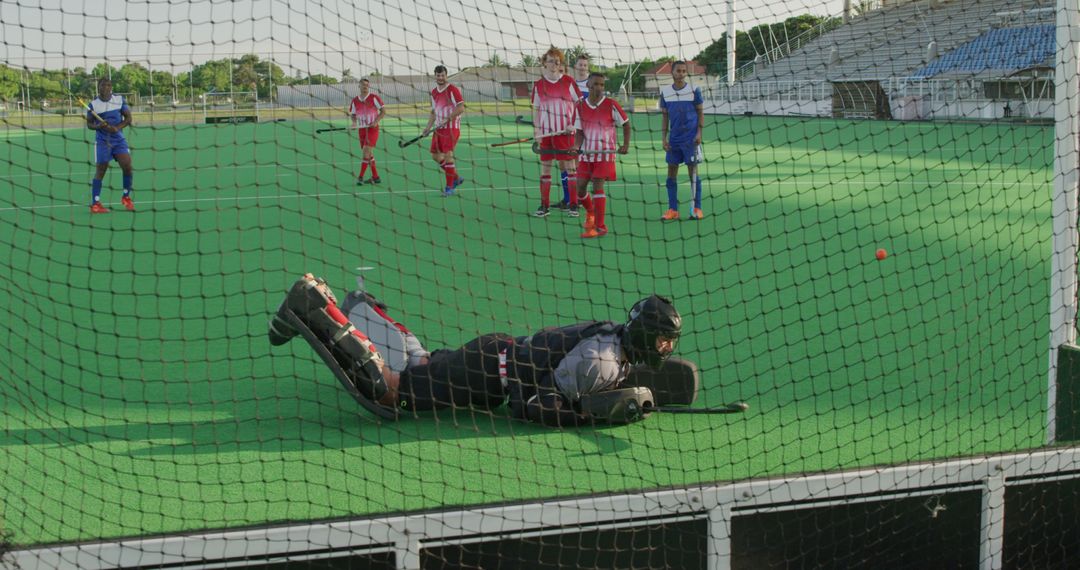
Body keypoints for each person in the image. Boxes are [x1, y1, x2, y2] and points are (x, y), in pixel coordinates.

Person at [269, 274, 683, 427]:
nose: (666, 348)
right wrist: (590, 417)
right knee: (394, 392)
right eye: (664, 340)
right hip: (487, 375)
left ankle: (360, 309)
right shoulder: (600, 360)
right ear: (646, 336)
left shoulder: (614, 342)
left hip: (492, 355)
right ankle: (313, 305)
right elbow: (536, 404)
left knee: (422, 363)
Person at [574, 73, 630, 238]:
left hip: (605, 154)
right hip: (586, 154)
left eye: (601, 85)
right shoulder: (580, 106)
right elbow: (579, 132)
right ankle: (590, 211)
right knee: (580, 188)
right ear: (588, 86)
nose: (599, 88)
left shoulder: (611, 104)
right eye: (595, 84)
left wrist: (625, 145)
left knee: (597, 187)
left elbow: (626, 124)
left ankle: (600, 227)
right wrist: (576, 146)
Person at [531, 47, 583, 217]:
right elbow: (536, 109)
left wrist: (574, 124)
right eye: (551, 61)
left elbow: (579, 105)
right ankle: (544, 206)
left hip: (565, 134)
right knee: (545, 170)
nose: (554, 64)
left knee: (571, 168)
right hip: (546, 135)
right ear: (544, 63)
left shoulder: (568, 82)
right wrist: (537, 129)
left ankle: (573, 205)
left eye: (557, 61)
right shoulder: (539, 85)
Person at [658, 61, 705, 221]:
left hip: (691, 140)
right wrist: (663, 138)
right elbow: (665, 117)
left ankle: (696, 208)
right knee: (671, 172)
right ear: (672, 72)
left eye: (684, 71)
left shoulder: (694, 90)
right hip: (674, 141)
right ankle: (673, 209)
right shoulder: (665, 92)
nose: (681, 73)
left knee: (693, 173)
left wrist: (699, 133)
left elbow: (700, 113)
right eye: (678, 70)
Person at [86, 78, 135, 213]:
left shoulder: (119, 100)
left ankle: (126, 197)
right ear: (99, 87)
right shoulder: (93, 105)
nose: (106, 88)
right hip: (103, 142)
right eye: (103, 85)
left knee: (127, 166)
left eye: (108, 85)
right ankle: (96, 204)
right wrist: (98, 125)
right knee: (101, 171)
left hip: (119, 140)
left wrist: (117, 127)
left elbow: (128, 118)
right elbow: (89, 124)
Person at [422, 65, 466, 196]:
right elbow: (434, 111)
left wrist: (449, 118)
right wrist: (427, 128)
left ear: (446, 76)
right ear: (435, 76)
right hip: (438, 128)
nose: (440, 78)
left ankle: (449, 187)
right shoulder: (434, 92)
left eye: (443, 75)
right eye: (438, 75)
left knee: (448, 156)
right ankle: (456, 178)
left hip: (451, 128)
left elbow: (461, 108)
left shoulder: (453, 90)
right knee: (435, 156)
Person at [348, 78, 386, 185]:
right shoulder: (355, 100)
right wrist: (354, 123)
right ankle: (376, 177)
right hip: (362, 130)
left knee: (366, 151)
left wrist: (376, 121)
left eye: (367, 85)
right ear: (359, 86)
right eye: (363, 85)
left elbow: (383, 111)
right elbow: (353, 115)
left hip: (373, 129)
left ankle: (360, 177)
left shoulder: (374, 98)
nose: (365, 86)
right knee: (368, 153)